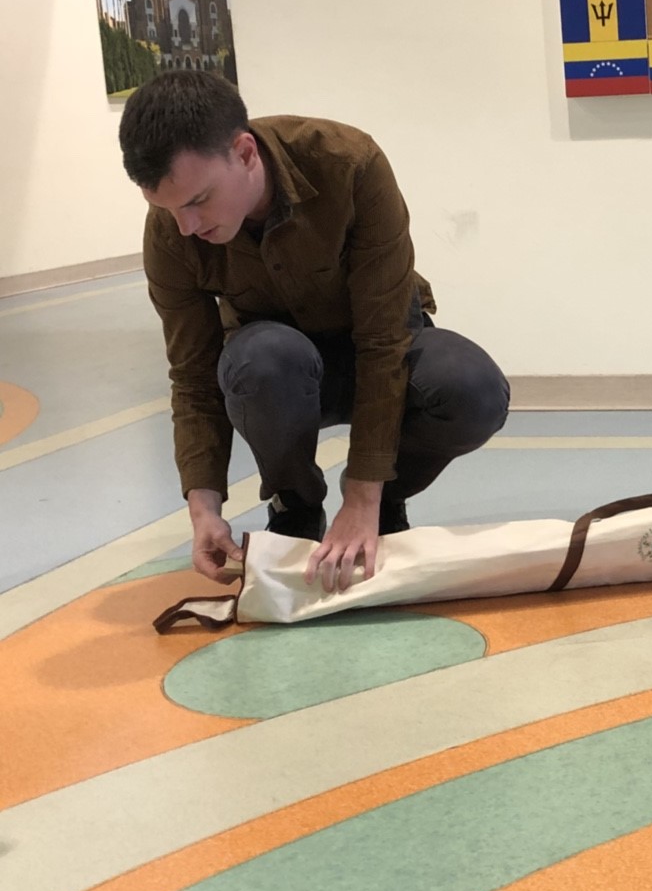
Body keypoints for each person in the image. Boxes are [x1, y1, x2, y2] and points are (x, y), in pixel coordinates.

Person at [119, 71, 509, 593]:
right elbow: (192, 376)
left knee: (473, 389)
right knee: (262, 359)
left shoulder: (351, 166)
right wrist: (203, 507)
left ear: (245, 153)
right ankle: (295, 506)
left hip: (379, 349)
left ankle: (384, 500)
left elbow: (384, 341)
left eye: (198, 201)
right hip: (282, 375)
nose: (187, 226)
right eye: (167, 208)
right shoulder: (172, 231)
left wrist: (364, 493)